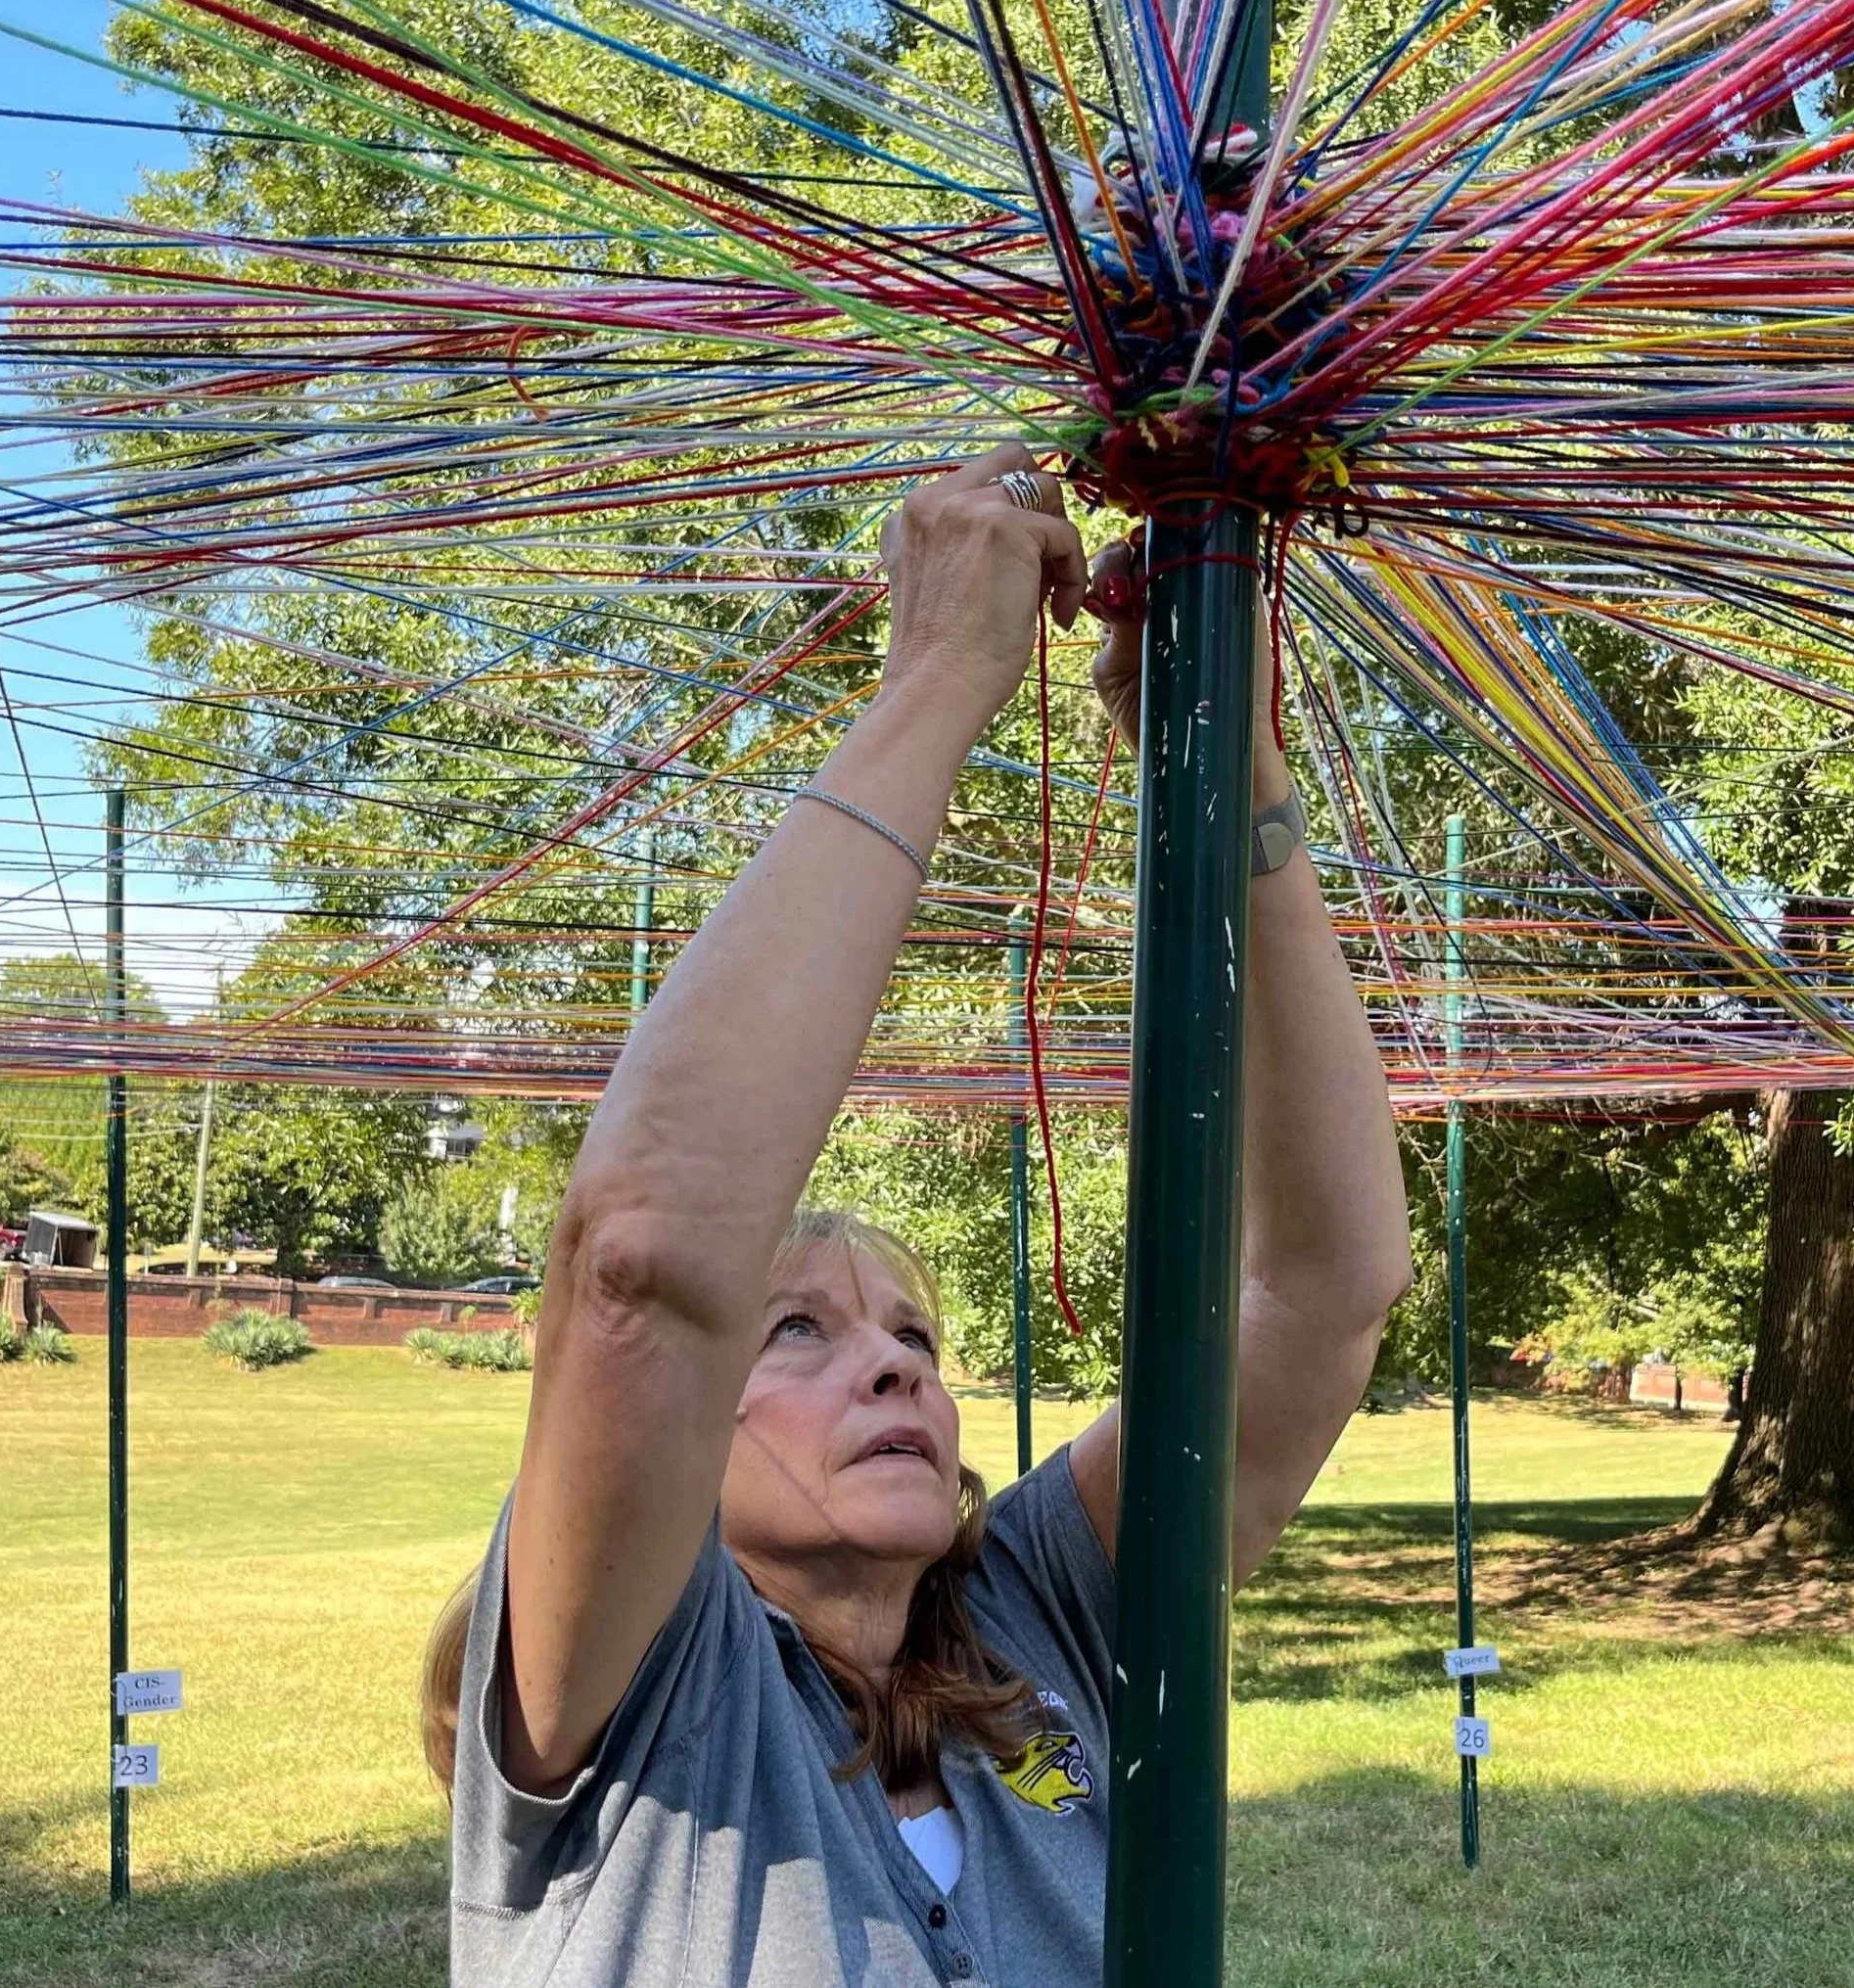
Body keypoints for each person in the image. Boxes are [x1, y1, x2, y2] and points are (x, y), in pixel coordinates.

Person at [428, 446, 1411, 1985]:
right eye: (796, 1332)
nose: (898, 1371)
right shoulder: (637, 1680)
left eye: (914, 1337)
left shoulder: (1038, 1624)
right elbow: (639, 1270)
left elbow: (1329, 1287)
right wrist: (945, 667)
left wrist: (1242, 775)